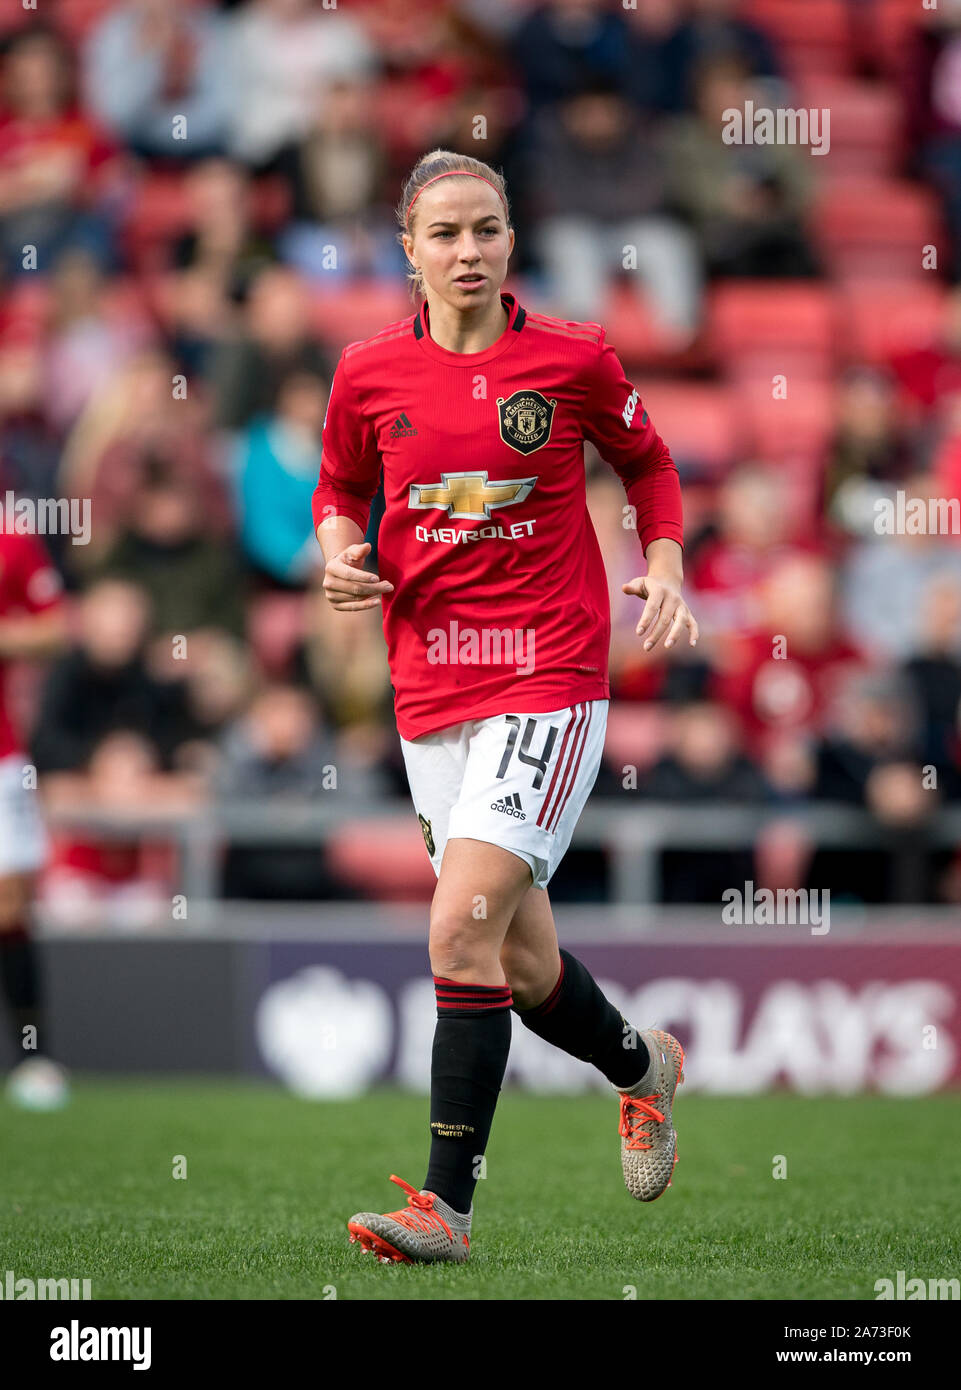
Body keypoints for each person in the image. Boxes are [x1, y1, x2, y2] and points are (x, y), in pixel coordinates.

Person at [313, 149, 698, 1265]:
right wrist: (340, 549)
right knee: (519, 968)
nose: (468, 251)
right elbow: (339, 488)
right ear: (409, 251)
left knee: (457, 927)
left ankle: (445, 1210)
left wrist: (663, 566)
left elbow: (651, 464)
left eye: (486, 229)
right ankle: (642, 1067)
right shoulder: (366, 373)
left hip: (549, 671)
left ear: (511, 239)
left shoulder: (573, 357)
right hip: (429, 685)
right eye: (445, 234)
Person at [0, 531, 69, 1109]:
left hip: (1, 754)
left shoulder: (14, 537)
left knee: (10, 902)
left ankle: (33, 1056)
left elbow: (54, 627)